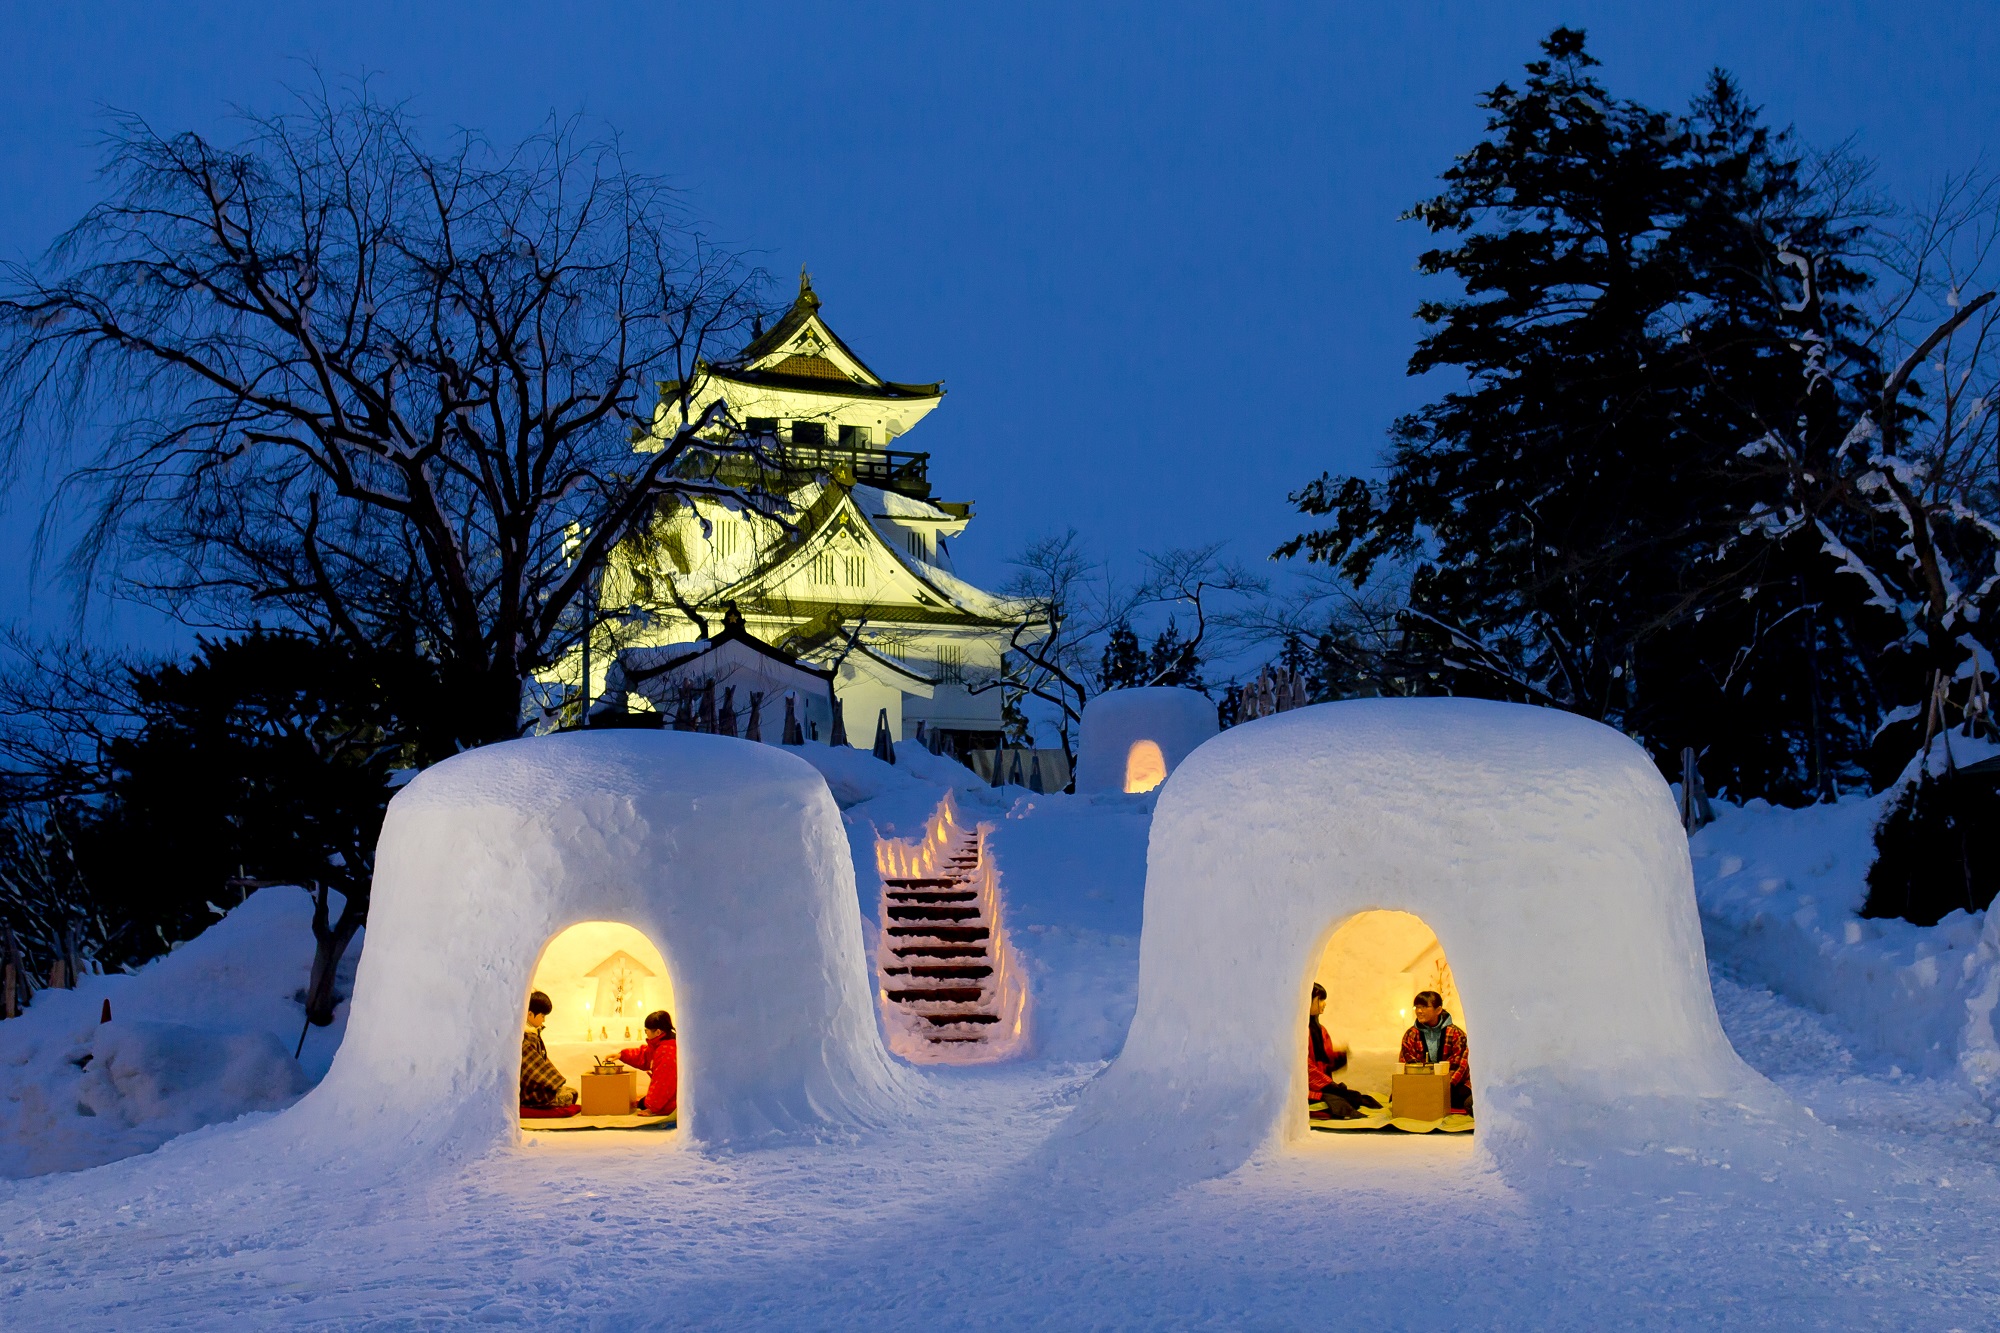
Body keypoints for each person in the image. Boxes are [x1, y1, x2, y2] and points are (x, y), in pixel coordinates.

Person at [1307, 982, 1381, 1120]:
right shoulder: (1299, 1032)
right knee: (1338, 1102)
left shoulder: (1321, 1030)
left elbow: (1326, 1060)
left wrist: (1340, 1056)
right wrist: (1329, 1085)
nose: (1324, 1004)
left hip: (1323, 1085)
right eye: (1320, 999)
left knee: (1358, 1098)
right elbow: (1306, 1068)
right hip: (1309, 1089)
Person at [1398, 989, 1472, 1113]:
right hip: (1421, 1084)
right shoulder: (1411, 1034)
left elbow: (1460, 1065)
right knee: (1397, 1097)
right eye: (1417, 1007)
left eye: (1424, 1007)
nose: (1419, 1011)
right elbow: (1406, 1060)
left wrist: (1440, 1087)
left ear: (1438, 1010)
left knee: (1457, 1098)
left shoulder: (1456, 1034)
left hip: (1451, 1085)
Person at [520, 990, 578, 1109]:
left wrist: (555, 1084)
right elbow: (532, 1068)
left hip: (537, 1084)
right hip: (528, 1089)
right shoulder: (525, 1038)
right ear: (530, 1014)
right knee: (566, 1096)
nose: (544, 1020)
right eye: (542, 1016)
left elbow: (542, 1062)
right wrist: (552, 1084)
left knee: (572, 1092)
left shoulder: (533, 1034)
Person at [618, 1009, 678, 1117]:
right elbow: (645, 1056)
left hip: (672, 1101)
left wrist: (652, 1108)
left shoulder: (666, 1051)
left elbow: (663, 1083)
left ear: (658, 1032)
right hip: (668, 1097)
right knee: (640, 1103)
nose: (645, 1033)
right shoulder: (661, 1044)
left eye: (647, 1030)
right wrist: (622, 1055)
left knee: (642, 1104)